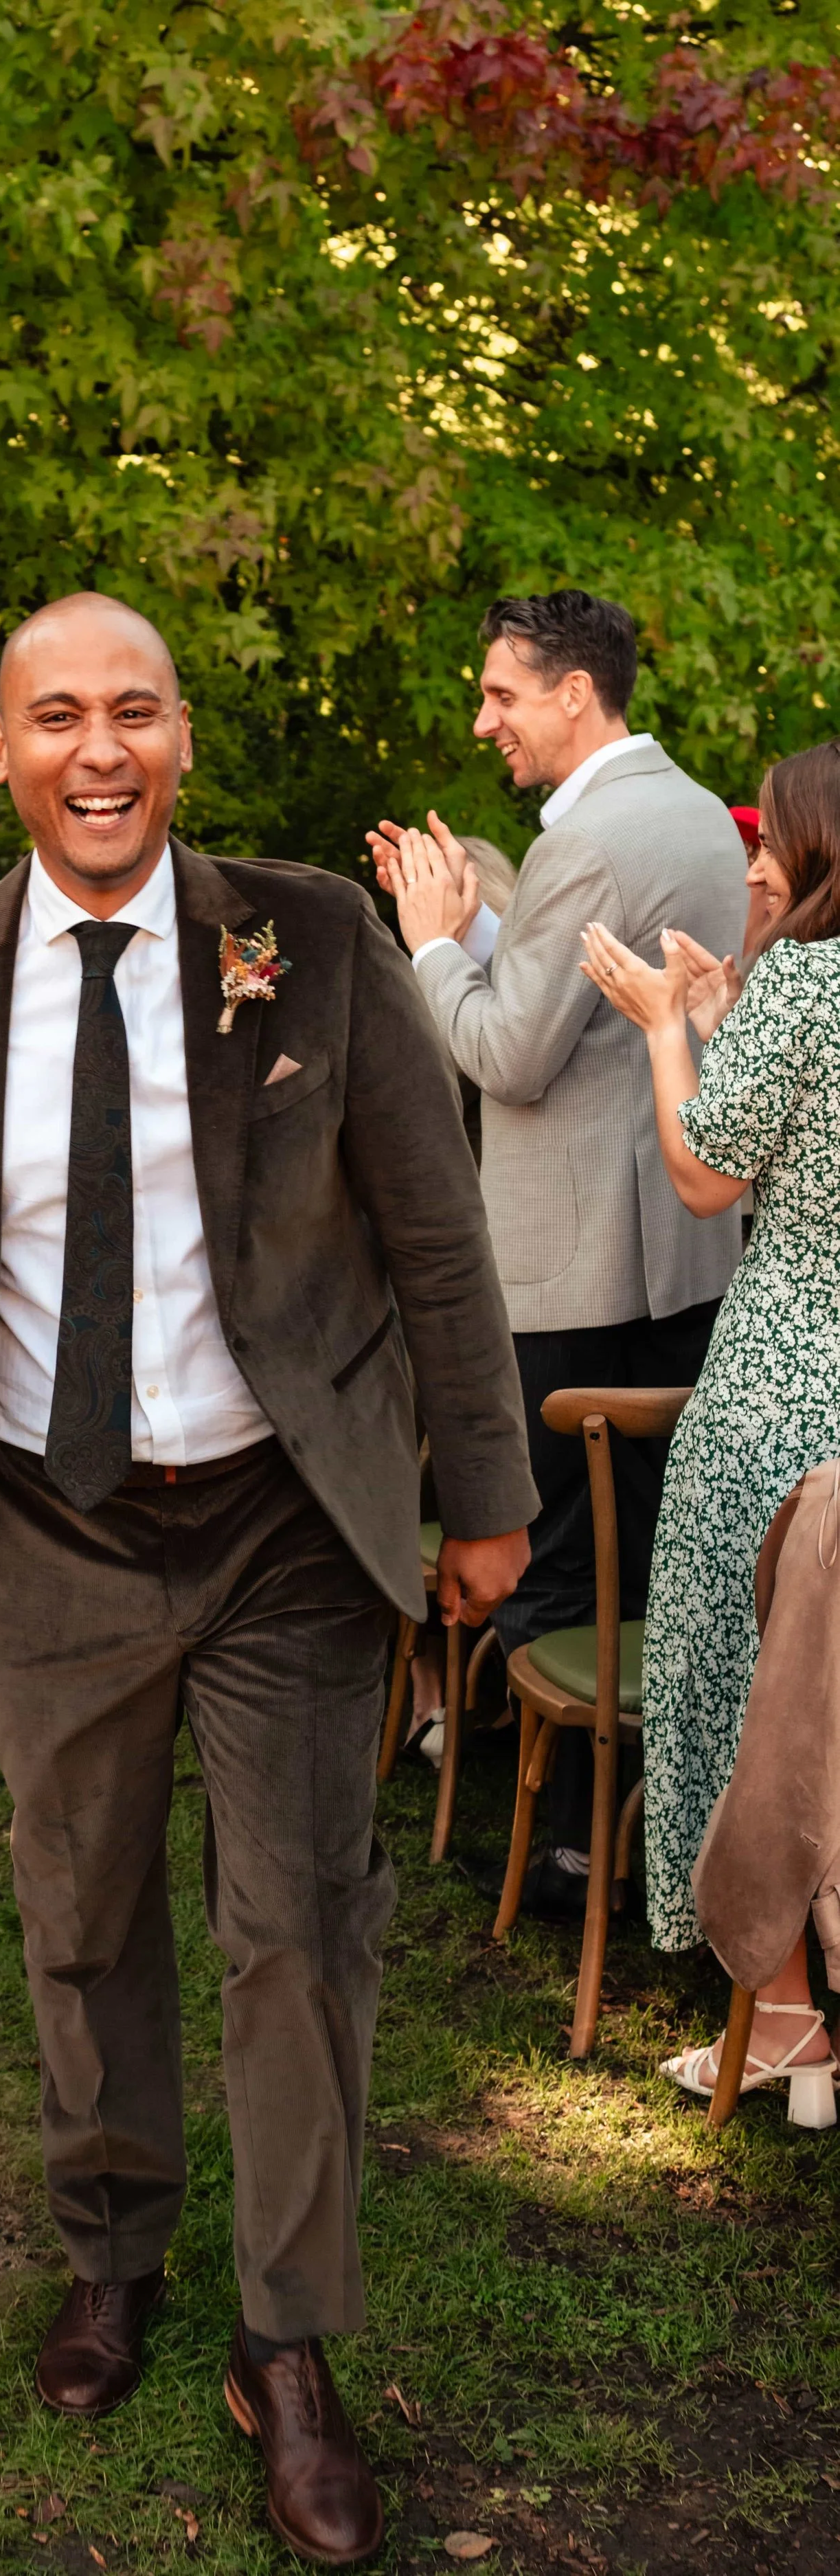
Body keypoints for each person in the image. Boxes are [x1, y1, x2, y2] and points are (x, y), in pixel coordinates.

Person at [0, 591, 536, 2565]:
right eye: (56, 715)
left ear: (183, 735)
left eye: (132, 709)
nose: (98, 747)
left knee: (298, 1924)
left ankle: (286, 2337)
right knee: (79, 1914)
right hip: (43, 1525)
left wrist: (479, 1489)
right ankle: (113, 2245)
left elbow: (433, 1227)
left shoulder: (304, 934)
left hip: (287, 1522)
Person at [370, 590, 747, 1919]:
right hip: (684, 1250)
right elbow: (584, 1003)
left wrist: (426, 942)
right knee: (648, 1558)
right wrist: (483, 928)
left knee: (543, 1556)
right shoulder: (699, 815)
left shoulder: (586, 836)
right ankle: (648, 1831)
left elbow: (507, 1057)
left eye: (502, 695)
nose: (486, 721)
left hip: (567, 1263)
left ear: (574, 692)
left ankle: (571, 1855)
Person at [580, 743, 840, 2116]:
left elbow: (701, 1176)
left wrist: (662, 1027)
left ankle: (787, 2018)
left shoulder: (809, 977)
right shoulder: (793, 989)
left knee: (754, 1687)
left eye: (774, 840)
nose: (754, 861)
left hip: (780, 1390)